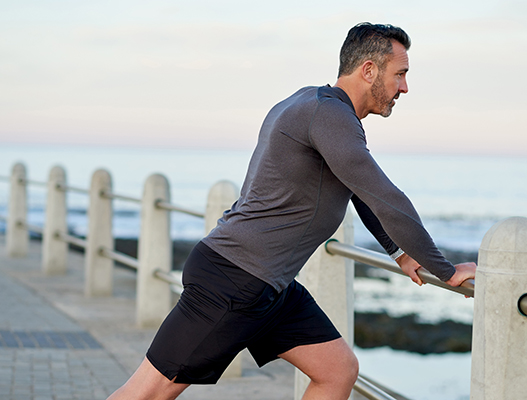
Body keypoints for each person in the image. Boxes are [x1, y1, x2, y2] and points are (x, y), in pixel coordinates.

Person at [107, 22, 477, 400]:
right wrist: (446, 271)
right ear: (368, 70)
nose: (404, 87)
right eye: (400, 74)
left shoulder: (315, 105)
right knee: (146, 393)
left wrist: (399, 252)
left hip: (271, 286)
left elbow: (360, 191)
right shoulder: (328, 116)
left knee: (337, 370)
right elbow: (387, 198)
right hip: (233, 280)